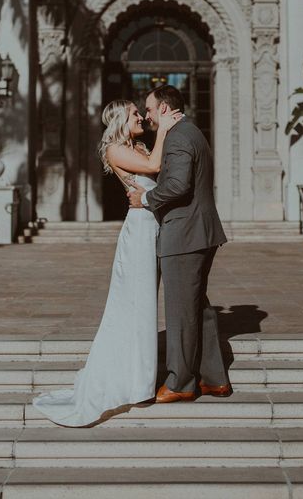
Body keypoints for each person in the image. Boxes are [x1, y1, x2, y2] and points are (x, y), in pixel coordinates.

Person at [32, 99, 181, 426]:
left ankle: (138, 379)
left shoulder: (138, 145)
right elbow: (156, 167)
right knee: (136, 305)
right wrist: (167, 129)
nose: (141, 116)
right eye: (134, 113)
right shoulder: (115, 149)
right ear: (120, 120)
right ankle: (137, 385)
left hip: (152, 226)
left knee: (143, 306)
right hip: (139, 231)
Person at [128, 85, 231, 403]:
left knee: (180, 311)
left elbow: (177, 185)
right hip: (197, 232)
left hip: (185, 234)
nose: (146, 115)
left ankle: (180, 382)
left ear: (163, 108)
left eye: (148, 108)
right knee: (198, 307)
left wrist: (144, 198)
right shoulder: (190, 132)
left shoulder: (179, 136)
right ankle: (214, 379)